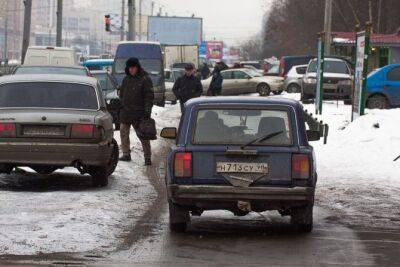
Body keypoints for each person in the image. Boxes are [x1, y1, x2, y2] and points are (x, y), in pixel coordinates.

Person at [118, 57, 154, 166]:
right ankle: (126, 154)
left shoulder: (145, 79)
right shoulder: (126, 79)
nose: (131, 70)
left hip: (139, 113)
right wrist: (121, 104)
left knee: (143, 135)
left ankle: (147, 157)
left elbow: (149, 97)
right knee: (123, 133)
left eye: (133, 67)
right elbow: (122, 94)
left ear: (137, 67)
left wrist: (147, 111)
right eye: (129, 68)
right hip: (126, 112)